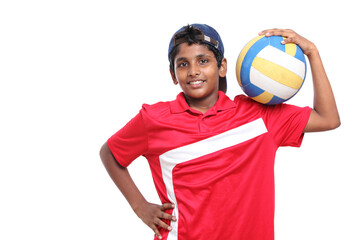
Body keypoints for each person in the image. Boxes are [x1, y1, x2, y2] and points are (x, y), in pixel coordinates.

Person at [100, 24, 340, 240]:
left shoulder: (260, 117)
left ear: (222, 66)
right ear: (173, 75)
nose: (193, 71)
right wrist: (139, 206)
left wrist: (312, 53)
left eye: (203, 61)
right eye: (183, 64)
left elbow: (328, 118)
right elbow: (109, 153)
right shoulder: (154, 120)